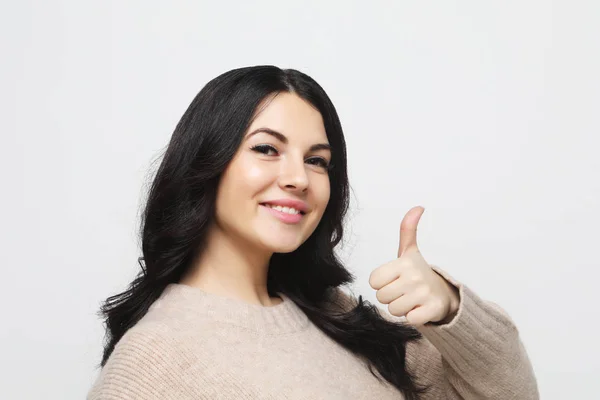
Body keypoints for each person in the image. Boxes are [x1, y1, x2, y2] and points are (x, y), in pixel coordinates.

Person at [87, 65, 539, 399]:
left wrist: (450, 310)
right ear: (205, 163)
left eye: (316, 160)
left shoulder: (336, 317)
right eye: (267, 149)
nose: (298, 178)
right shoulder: (152, 363)